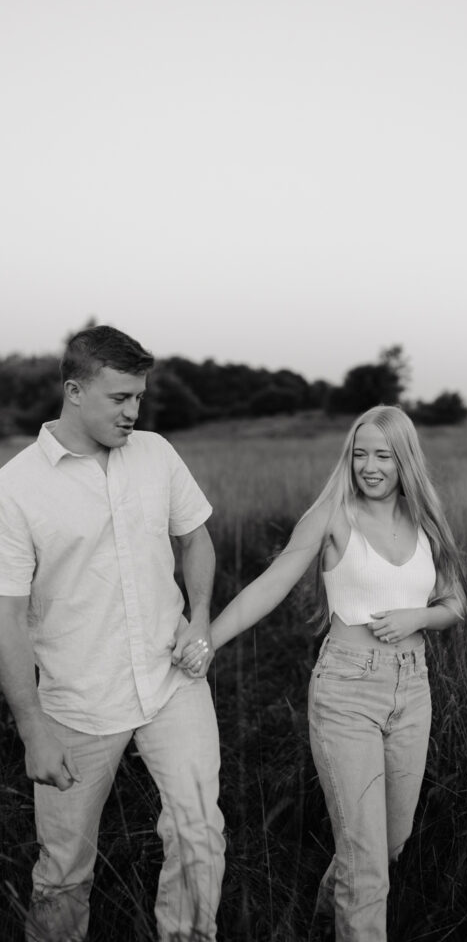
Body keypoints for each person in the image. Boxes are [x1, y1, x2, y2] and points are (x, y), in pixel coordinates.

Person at [181, 404, 467, 942]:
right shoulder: (332, 516)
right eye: (360, 454)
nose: (370, 466)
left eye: (383, 455)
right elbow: (272, 583)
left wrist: (419, 616)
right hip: (347, 691)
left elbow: (456, 603)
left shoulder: (426, 519)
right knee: (367, 868)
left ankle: (322, 924)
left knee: (389, 844)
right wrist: (208, 639)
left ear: (404, 458)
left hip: (413, 686)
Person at [0, 325, 224, 942]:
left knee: (200, 832)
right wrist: (32, 729)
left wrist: (199, 619)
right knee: (64, 870)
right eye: (119, 398)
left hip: (171, 679)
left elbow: (195, 536)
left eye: (139, 398)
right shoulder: (15, 488)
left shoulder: (155, 453)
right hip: (77, 702)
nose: (133, 412)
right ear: (74, 391)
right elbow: (7, 619)